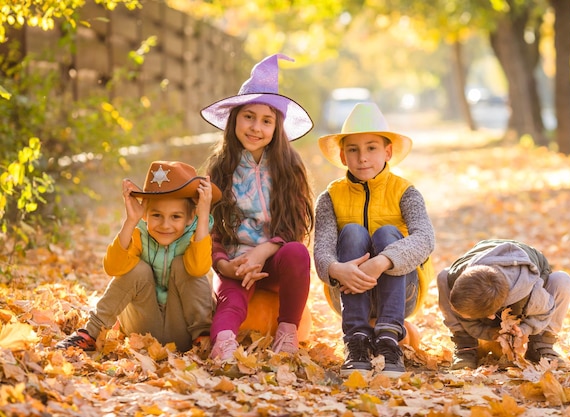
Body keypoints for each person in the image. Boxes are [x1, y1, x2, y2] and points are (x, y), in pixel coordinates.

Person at [199, 53, 314, 361]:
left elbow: (294, 228)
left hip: (275, 262)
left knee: (297, 253)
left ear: (277, 128)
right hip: (235, 263)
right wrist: (224, 265)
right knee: (231, 303)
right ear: (234, 118)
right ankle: (223, 346)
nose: (255, 127)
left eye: (267, 121)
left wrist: (263, 252)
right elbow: (208, 229)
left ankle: (288, 330)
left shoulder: (289, 168)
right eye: (248, 116)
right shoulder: (220, 169)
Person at [313, 102, 435, 378]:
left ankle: (390, 338)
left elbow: (425, 238)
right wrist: (335, 269)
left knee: (386, 234)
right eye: (353, 150)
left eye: (371, 148)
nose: (362, 158)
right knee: (353, 232)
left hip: (402, 294)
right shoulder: (330, 198)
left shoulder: (405, 192)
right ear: (343, 156)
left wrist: (382, 261)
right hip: (347, 291)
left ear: (388, 152)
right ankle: (356, 339)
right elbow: (321, 249)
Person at [56, 161, 221, 354]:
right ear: (145, 214)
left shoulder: (196, 237)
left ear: (189, 218)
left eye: (175, 217)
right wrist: (131, 221)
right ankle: (90, 334)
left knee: (183, 265)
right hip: (143, 327)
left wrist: (202, 218)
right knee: (137, 269)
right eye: (157, 215)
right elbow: (113, 268)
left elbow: (198, 269)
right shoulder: (139, 236)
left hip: (185, 330)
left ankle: (203, 338)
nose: (165, 225)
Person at [437, 239, 570, 370]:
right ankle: (465, 347)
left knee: (562, 280)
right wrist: (488, 333)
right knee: (443, 276)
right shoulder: (459, 275)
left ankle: (541, 346)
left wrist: (524, 329)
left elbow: (546, 311)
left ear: (490, 316)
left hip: (526, 287)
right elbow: (461, 308)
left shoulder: (531, 296)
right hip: (487, 271)